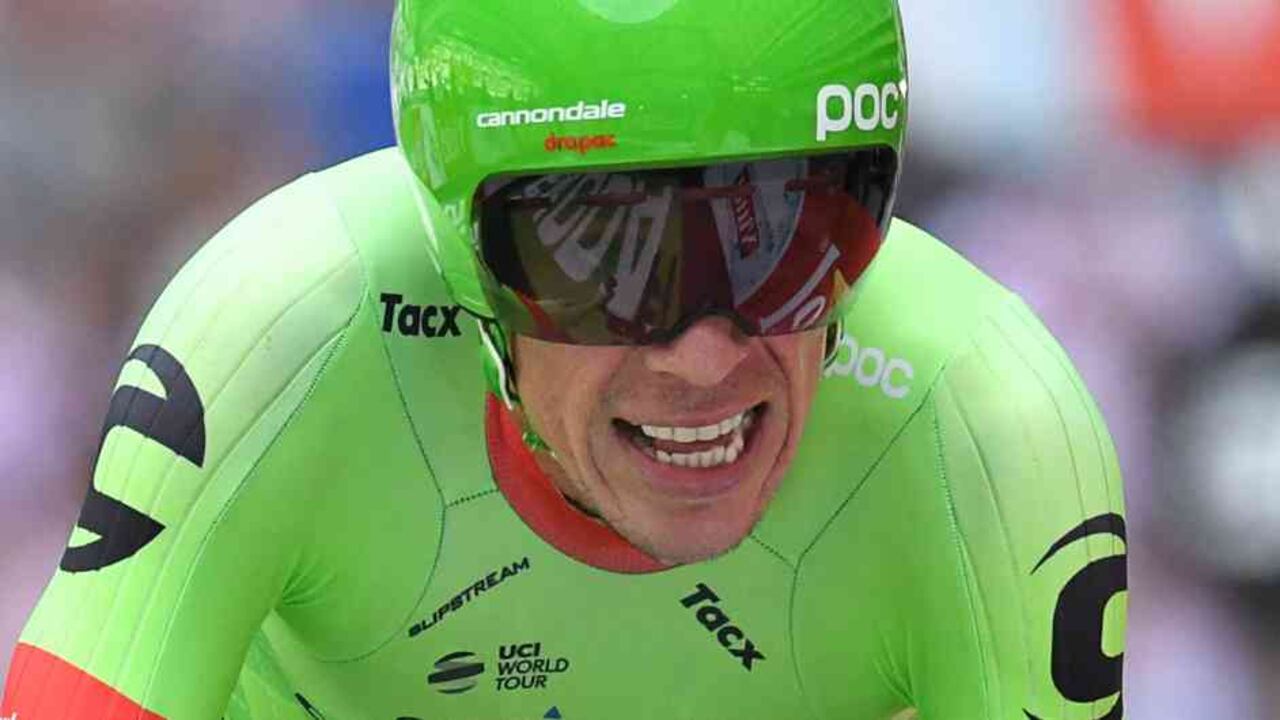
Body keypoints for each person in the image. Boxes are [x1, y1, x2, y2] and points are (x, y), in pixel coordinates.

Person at [1, 1, 1128, 718]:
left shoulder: (984, 427)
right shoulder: (282, 329)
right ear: (464, 259)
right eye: (606, 261)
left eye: (785, 242)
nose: (703, 357)